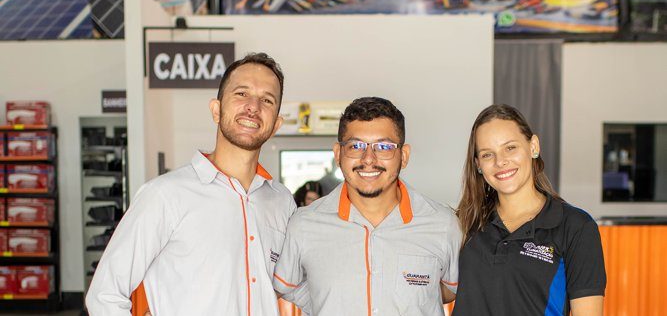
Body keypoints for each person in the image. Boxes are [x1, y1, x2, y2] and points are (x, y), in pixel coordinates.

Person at [86, 53, 297, 316]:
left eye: (267, 100)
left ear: (276, 124)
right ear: (216, 110)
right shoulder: (164, 195)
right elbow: (104, 295)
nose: (253, 107)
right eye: (241, 94)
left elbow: (294, 286)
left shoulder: (282, 202)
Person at [273, 97, 461, 315]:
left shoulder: (443, 224)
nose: (369, 159)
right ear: (338, 154)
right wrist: (325, 300)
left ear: (404, 156)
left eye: (384, 147)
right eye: (356, 146)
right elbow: (287, 286)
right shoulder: (304, 224)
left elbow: (451, 290)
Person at [453, 104, 606, 316]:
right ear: (478, 164)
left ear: (533, 146)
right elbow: (436, 289)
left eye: (510, 148)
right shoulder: (465, 223)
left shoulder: (575, 226)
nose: (500, 161)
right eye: (487, 154)